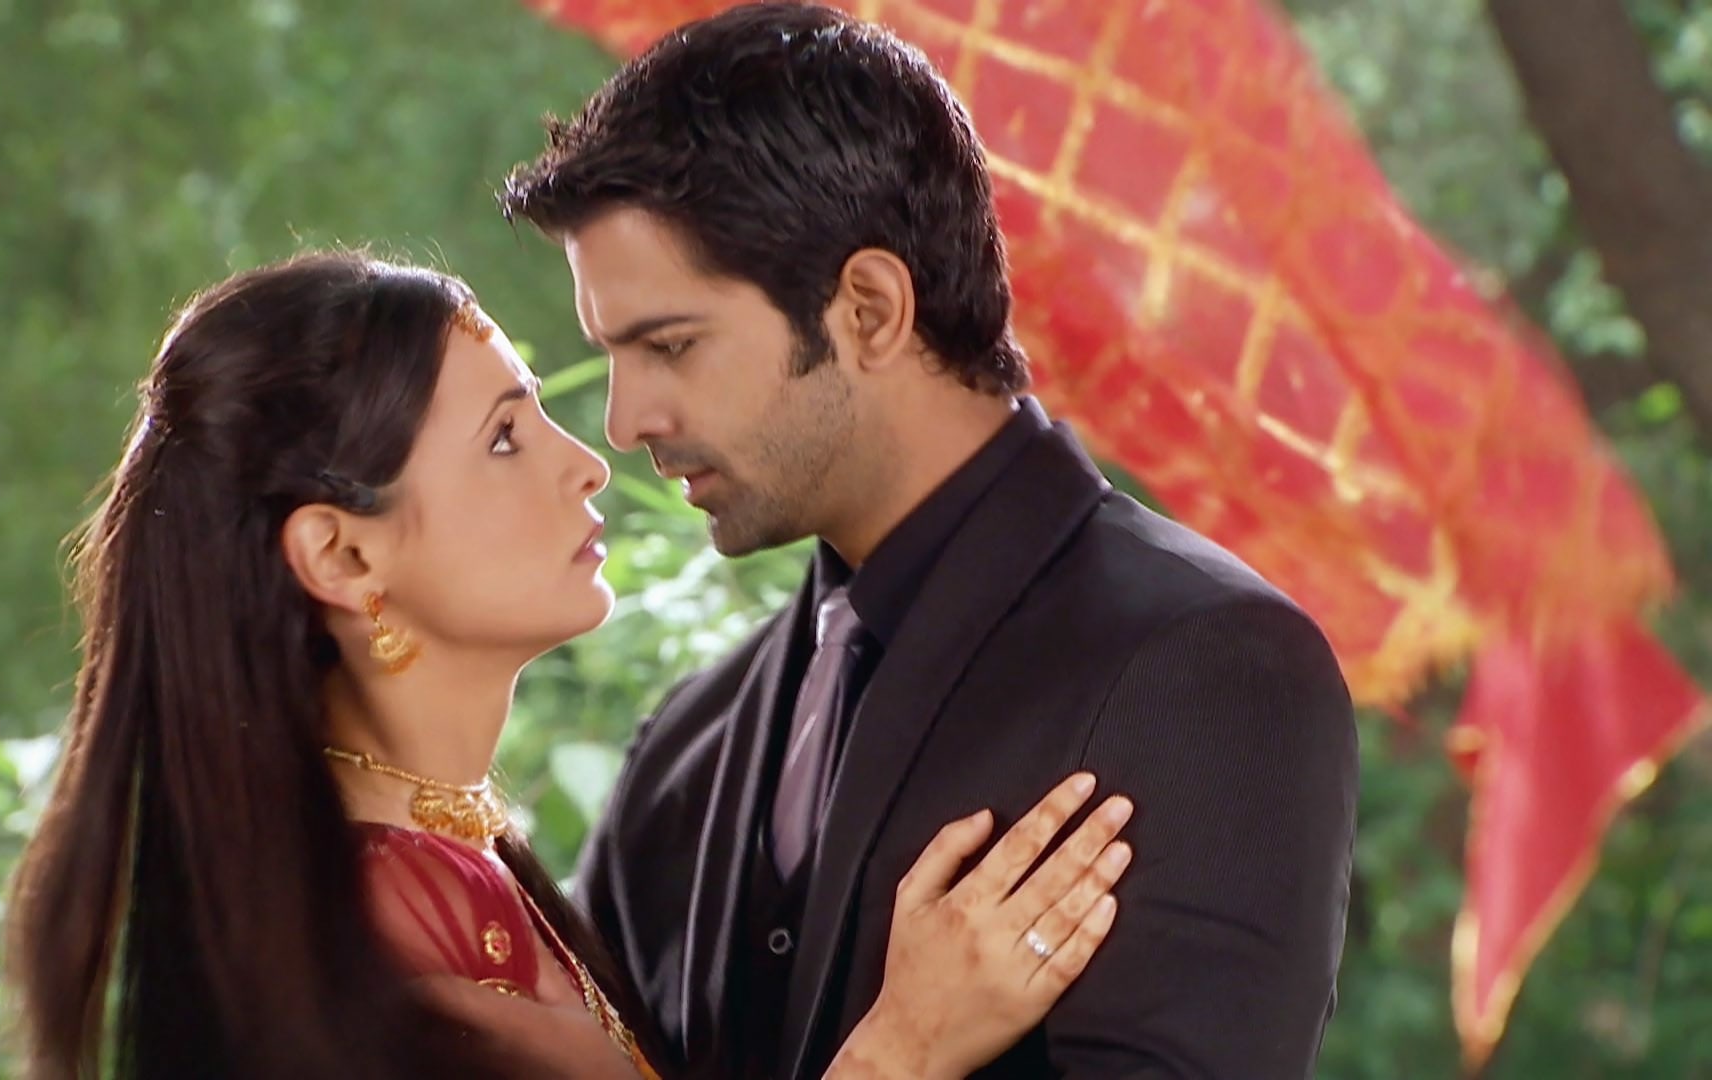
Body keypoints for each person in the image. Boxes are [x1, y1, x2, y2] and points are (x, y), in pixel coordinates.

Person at [1, 250, 1137, 1079]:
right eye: (503, 438)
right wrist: (908, 1045)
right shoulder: (386, 942)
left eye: (539, 411)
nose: (587, 464)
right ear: (343, 556)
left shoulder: (446, 871)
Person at [499, 4, 1360, 1078]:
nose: (625, 421)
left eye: (670, 346)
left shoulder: (1204, 670)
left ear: (869, 309)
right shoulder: (689, 746)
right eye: (614, 354)